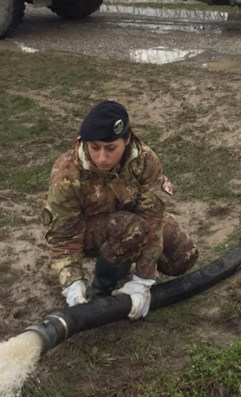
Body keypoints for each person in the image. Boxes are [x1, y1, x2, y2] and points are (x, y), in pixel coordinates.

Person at [42, 100, 200, 320]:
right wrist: (72, 283)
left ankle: (125, 266)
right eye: (94, 147)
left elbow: (153, 218)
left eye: (110, 148)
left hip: (133, 223)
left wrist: (143, 280)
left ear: (126, 140)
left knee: (184, 255)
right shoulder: (67, 173)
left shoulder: (143, 160)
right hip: (88, 233)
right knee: (131, 227)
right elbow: (64, 237)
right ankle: (101, 291)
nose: (102, 157)